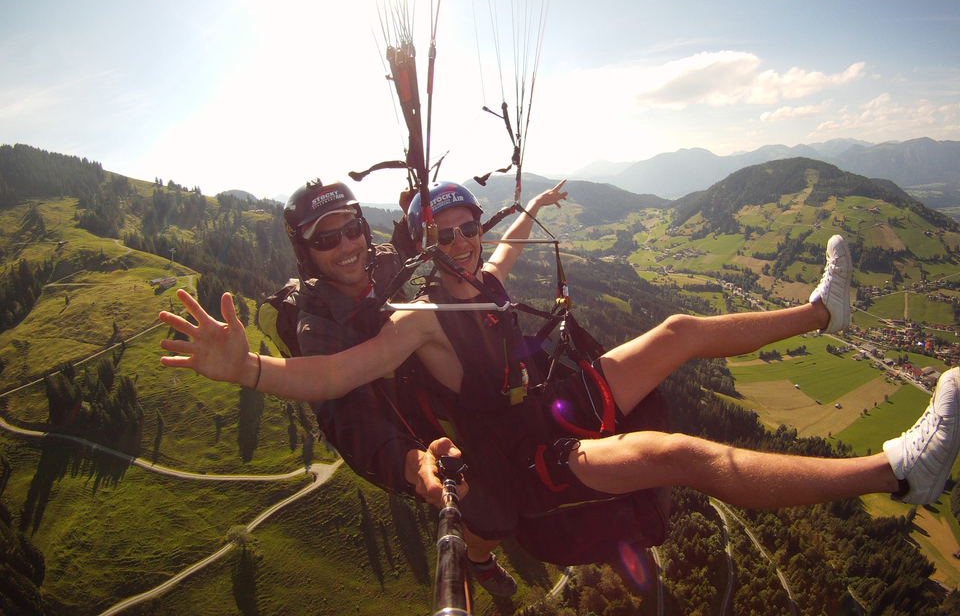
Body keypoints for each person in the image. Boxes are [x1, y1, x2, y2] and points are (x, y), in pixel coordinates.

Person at [160, 181, 960, 553]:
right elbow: (336, 379)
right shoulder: (417, 318)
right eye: (445, 236)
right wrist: (254, 372)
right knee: (680, 456)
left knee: (678, 329)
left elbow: (503, 252)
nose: (465, 241)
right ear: (421, 248)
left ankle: (826, 313)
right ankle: (896, 472)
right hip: (530, 451)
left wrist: (531, 210)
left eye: (469, 225)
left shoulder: (479, 273)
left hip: (558, 393)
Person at [269, 178, 518, 595]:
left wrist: (411, 215)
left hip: (431, 392)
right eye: (327, 239)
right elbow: (348, 420)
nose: (347, 246)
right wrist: (409, 460)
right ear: (305, 252)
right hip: (403, 432)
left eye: (351, 230)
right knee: (493, 515)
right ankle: (479, 560)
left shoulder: (380, 262)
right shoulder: (317, 329)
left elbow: (401, 248)